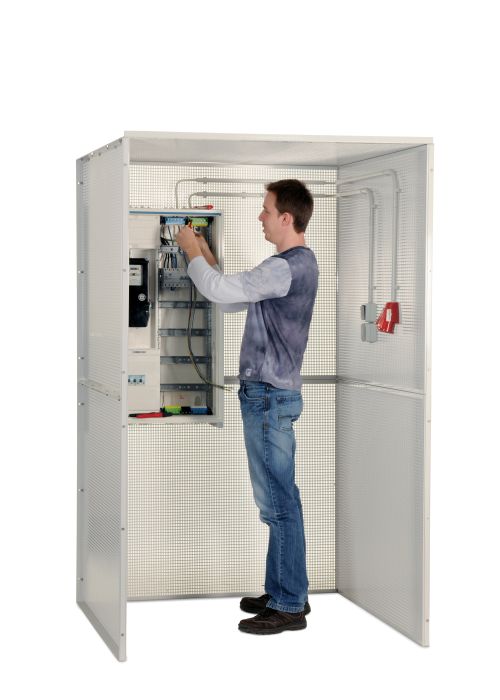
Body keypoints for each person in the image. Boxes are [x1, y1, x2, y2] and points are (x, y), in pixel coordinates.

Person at [176, 179, 318, 635]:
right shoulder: (293, 266)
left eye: (266, 210)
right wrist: (204, 254)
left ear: (286, 218)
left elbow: (219, 293)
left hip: (268, 397)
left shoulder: (285, 267)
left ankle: (289, 603)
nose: (260, 217)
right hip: (270, 397)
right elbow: (230, 300)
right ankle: (282, 591)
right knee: (279, 500)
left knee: (278, 503)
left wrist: (190, 251)